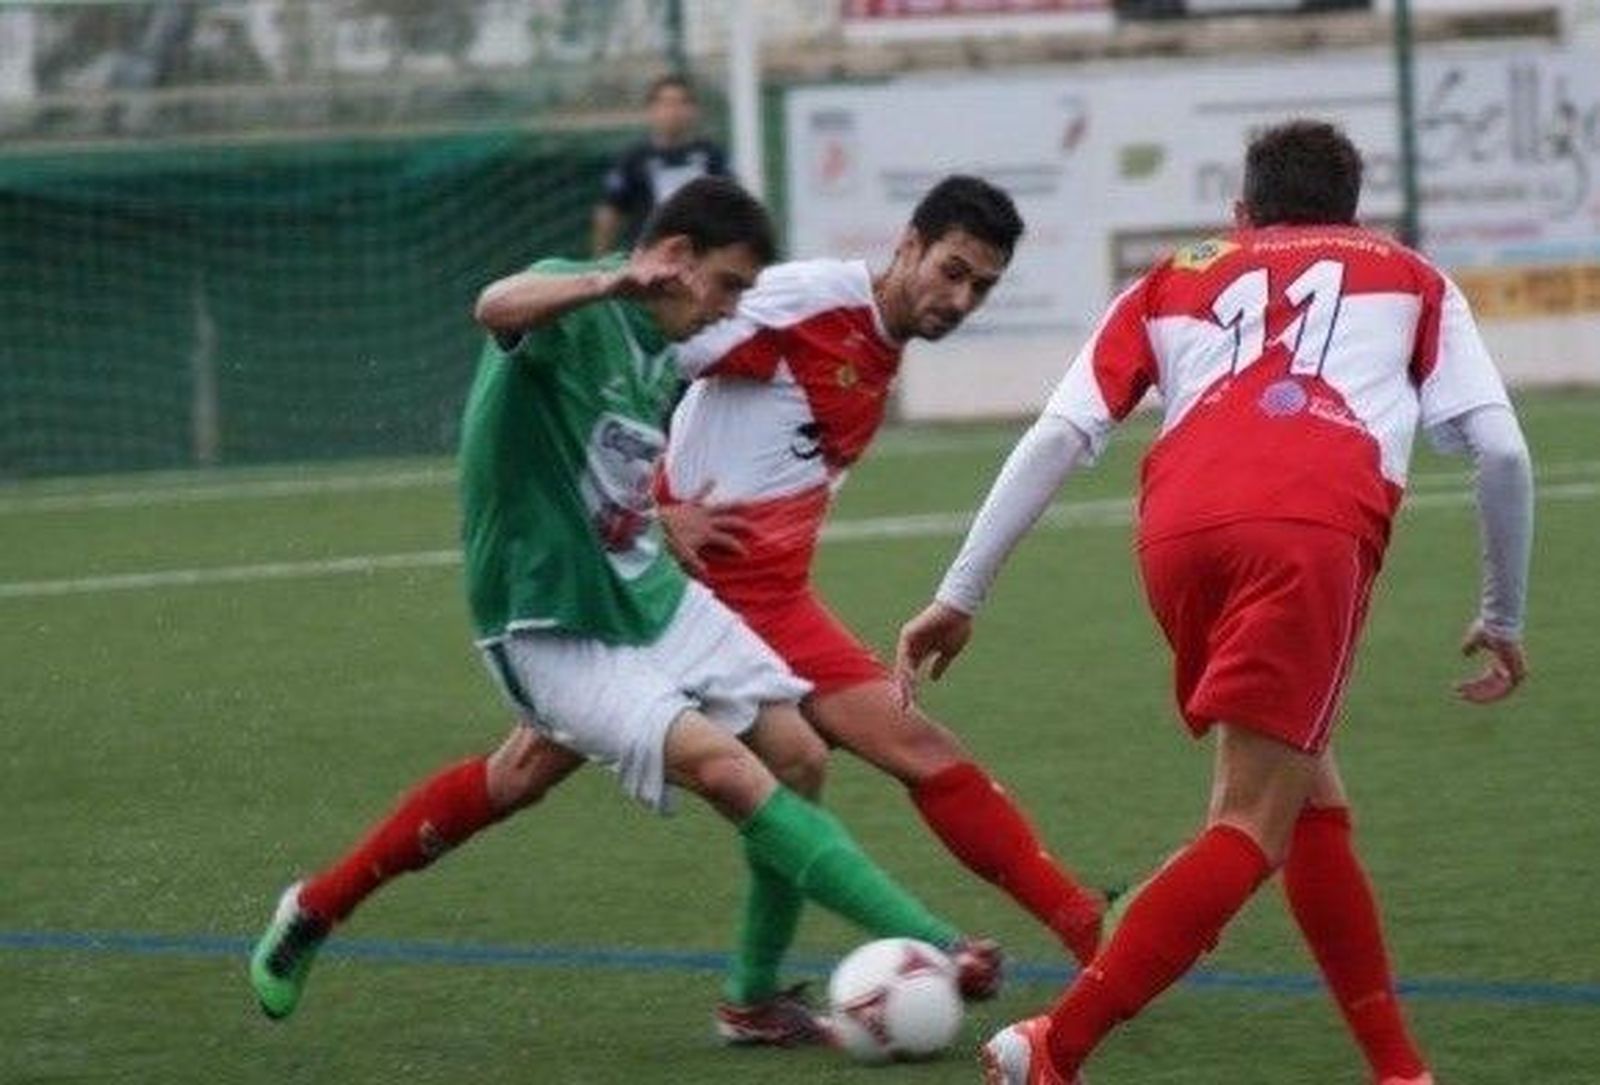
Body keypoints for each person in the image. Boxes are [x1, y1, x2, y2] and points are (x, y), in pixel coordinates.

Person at [248, 177, 996, 1031]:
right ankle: (933, 942)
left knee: (795, 753)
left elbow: (601, 466)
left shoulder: (661, 346)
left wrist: (655, 512)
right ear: (673, 260)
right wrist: (605, 282)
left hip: (644, 589)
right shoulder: (580, 306)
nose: (732, 311)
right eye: (727, 287)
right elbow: (495, 304)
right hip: (549, 623)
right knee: (725, 767)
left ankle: (750, 999)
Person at [894, 121, 1534, 1085]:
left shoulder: (1168, 276)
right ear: (1351, 212)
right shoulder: (1408, 276)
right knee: (1249, 821)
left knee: (1309, 793)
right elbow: (1503, 451)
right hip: (1306, 530)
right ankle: (1053, 1047)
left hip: (1177, 536)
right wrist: (1504, 611)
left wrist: (959, 593)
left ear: (1243, 213)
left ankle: (1399, 1069)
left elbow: (1059, 434)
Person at [656, 174, 1108, 1044]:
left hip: (778, 604)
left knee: (919, 752)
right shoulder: (807, 301)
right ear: (906, 244)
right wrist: (647, 505)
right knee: (527, 774)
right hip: (696, 599)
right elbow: (639, 354)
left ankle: (1090, 931)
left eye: (981, 286)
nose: (960, 297)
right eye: (950, 269)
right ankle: (942, 947)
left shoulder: (880, 345)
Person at [591, 73, 730, 258]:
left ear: (694, 110)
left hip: (701, 259)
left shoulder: (712, 155)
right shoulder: (633, 158)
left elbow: (730, 207)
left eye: (682, 103)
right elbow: (610, 210)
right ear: (651, 109)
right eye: (666, 103)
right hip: (648, 262)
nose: (674, 111)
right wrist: (600, 259)